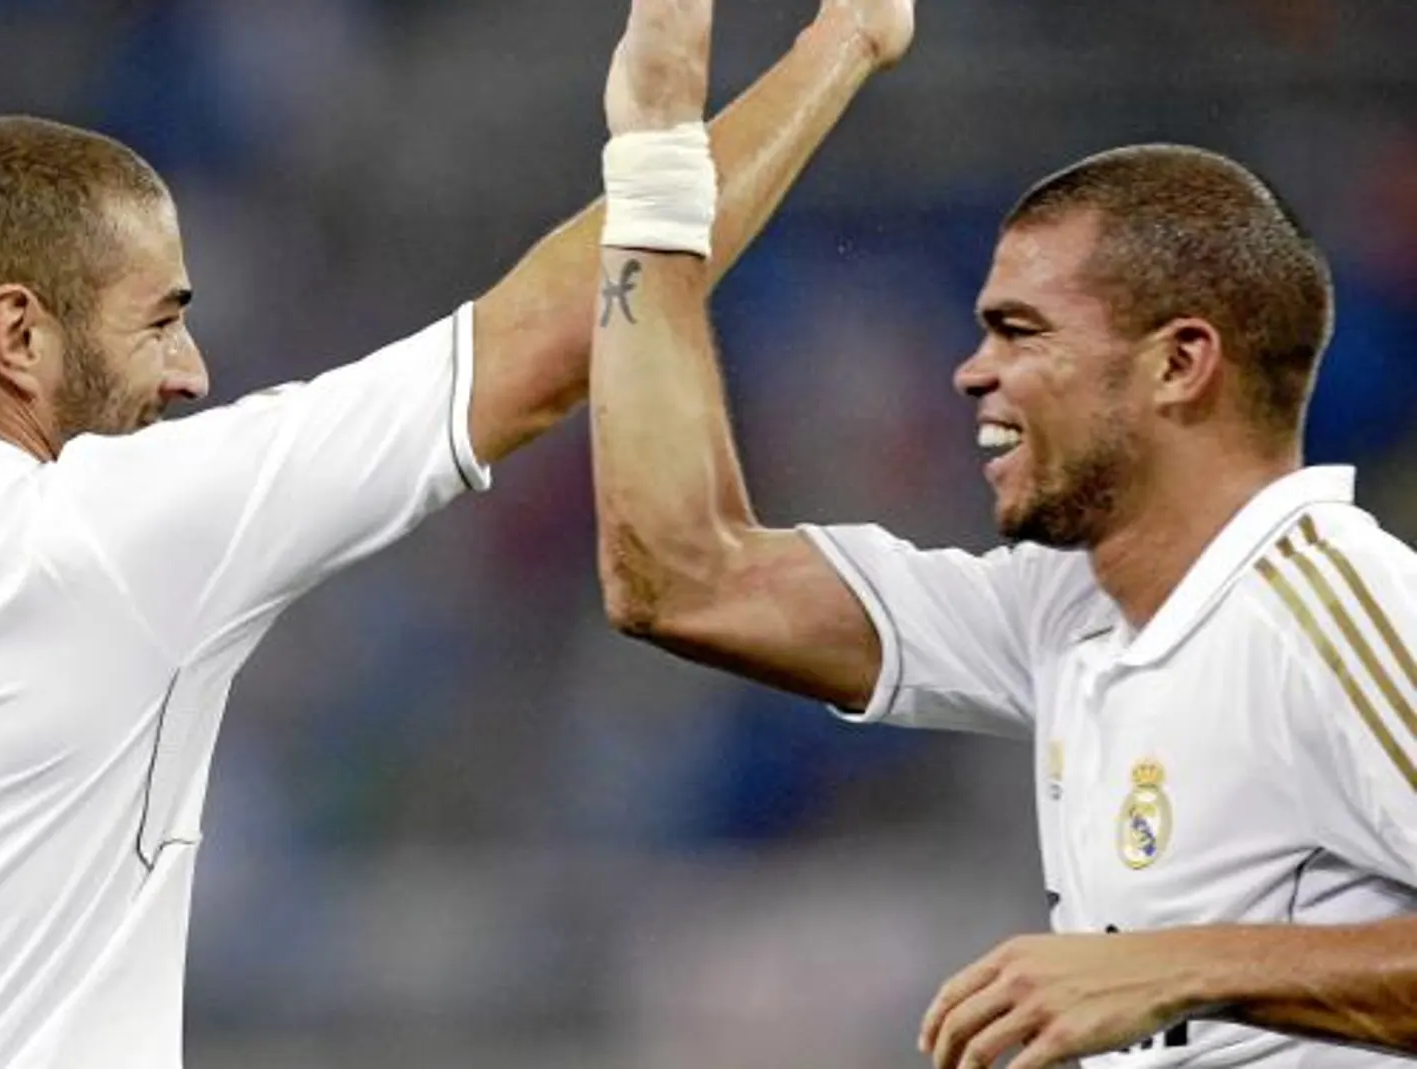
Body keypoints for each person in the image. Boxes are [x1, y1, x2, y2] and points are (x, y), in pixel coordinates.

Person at [0, 2, 914, 1067]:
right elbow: (551, 350)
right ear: (19, 333)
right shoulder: (113, 534)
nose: (192, 371)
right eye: (161, 318)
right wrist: (824, 55)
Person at [589, 28, 1417, 1069]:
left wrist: (1180, 965)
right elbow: (685, 579)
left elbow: (1169, 974)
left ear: (1178, 364)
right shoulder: (1069, 608)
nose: (970, 373)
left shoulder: (1339, 612)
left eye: (1019, 332)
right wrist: (653, 176)